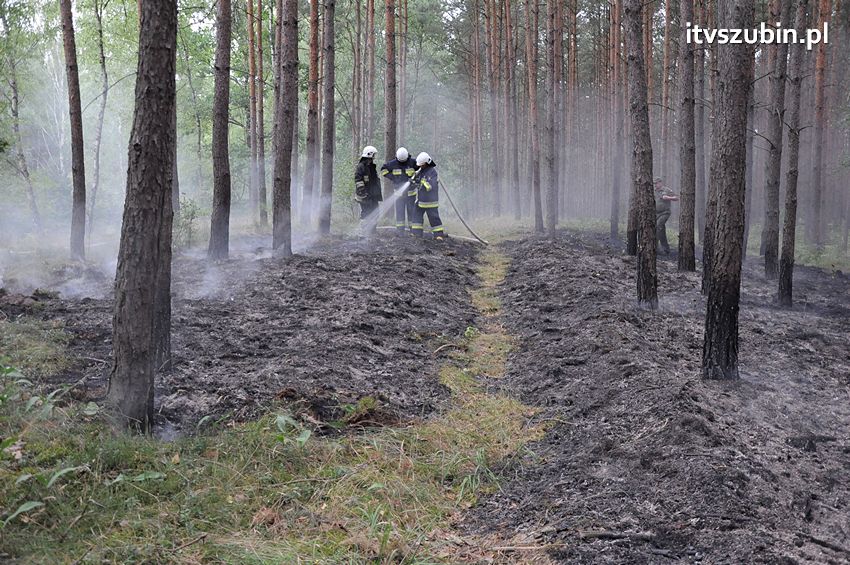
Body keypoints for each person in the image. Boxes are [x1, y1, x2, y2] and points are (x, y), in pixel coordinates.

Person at [380, 147, 418, 233]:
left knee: (411, 212)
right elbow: (383, 170)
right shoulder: (392, 164)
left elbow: (420, 170)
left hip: (411, 194)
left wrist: (416, 178)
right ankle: (400, 231)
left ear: (407, 157)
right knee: (400, 213)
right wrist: (393, 178)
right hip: (399, 195)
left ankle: (413, 230)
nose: (402, 163)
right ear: (397, 158)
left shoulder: (413, 162)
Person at [410, 152, 445, 240]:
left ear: (426, 163)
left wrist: (422, 182)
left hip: (430, 202)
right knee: (416, 216)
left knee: (434, 218)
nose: (420, 166)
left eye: (422, 165)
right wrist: (414, 181)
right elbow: (418, 182)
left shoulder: (433, 172)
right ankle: (416, 234)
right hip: (421, 200)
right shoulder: (421, 171)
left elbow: (430, 186)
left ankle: (438, 235)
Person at [354, 145, 382, 235]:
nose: (374, 157)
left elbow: (373, 180)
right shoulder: (361, 166)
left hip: (372, 194)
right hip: (364, 195)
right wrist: (363, 191)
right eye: (373, 154)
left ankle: (372, 231)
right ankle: (363, 231)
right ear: (369, 155)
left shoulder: (371, 166)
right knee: (366, 213)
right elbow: (358, 180)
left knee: (375, 211)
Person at [654, 177, 679, 254]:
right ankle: (666, 249)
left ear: (660, 183)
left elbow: (677, 197)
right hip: (656, 213)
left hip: (665, 212)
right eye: (654, 183)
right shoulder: (653, 191)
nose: (655, 185)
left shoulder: (666, 190)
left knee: (658, 226)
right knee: (661, 231)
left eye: (656, 183)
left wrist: (668, 197)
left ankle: (655, 247)